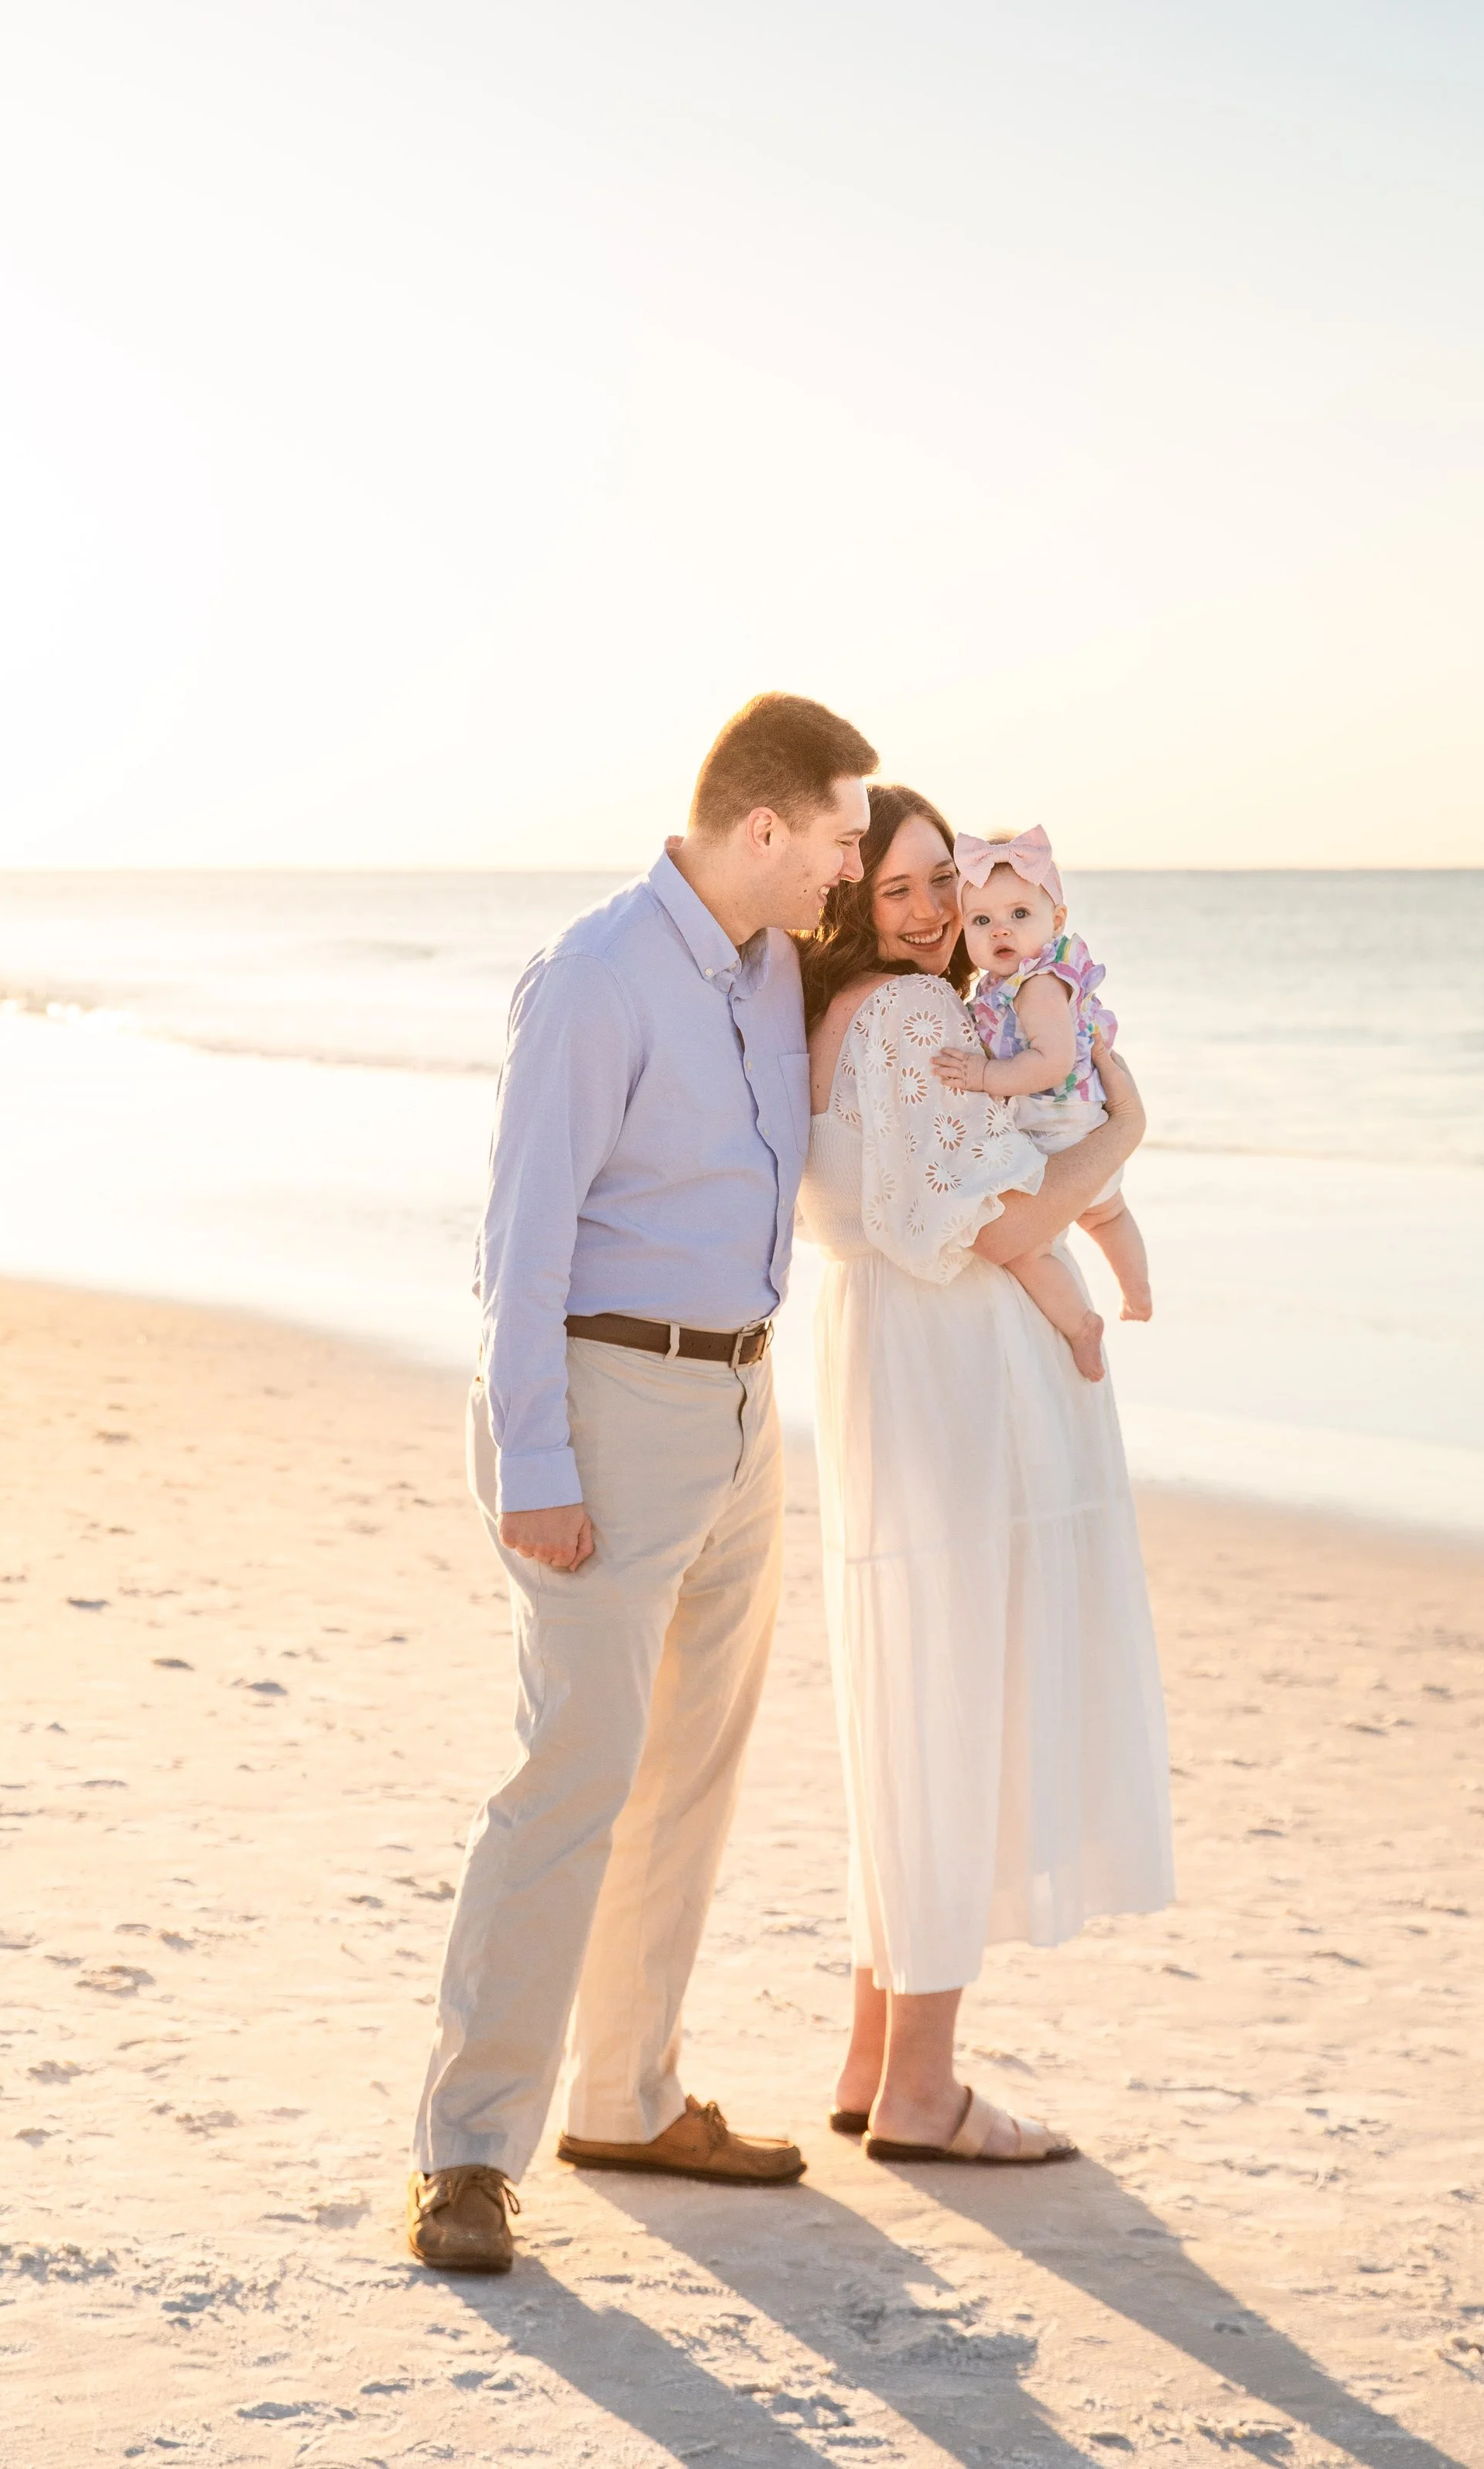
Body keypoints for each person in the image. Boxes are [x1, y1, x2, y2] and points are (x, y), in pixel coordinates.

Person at [407, 691, 879, 2275]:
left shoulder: (762, 972)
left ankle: (623, 2095)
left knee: (689, 1769)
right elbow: (517, 1241)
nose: (847, 872)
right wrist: (532, 1456)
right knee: (570, 1780)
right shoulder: (598, 977)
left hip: (740, 1405)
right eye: (836, 839)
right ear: (761, 828)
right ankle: (469, 2152)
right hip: (603, 1407)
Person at [799, 786, 1175, 2164]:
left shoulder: (831, 1019)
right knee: (952, 1695)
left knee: (913, 1693)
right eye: (896, 889)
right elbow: (997, 1212)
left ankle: (872, 2058)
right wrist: (1119, 1146)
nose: (933, 912)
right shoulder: (913, 1018)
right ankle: (920, 2089)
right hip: (960, 1374)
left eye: (942, 882)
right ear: (849, 899)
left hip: (899, 1363)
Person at [930, 824, 1154, 1380]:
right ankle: (1137, 1292)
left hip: (1060, 1130)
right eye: (982, 921)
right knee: (1109, 1214)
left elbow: (1051, 1062)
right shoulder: (1009, 986)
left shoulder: (1039, 985)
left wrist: (984, 1074)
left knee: (1026, 1248)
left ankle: (1081, 1325)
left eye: (1019, 915)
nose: (1000, 930)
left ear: (1056, 921)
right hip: (1072, 1125)